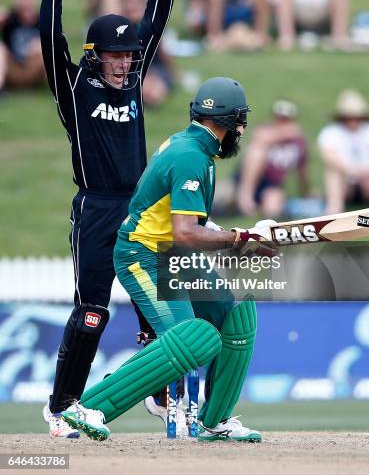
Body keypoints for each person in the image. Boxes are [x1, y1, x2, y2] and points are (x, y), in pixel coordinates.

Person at [59, 77, 280, 442]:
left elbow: (191, 224)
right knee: (193, 340)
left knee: (237, 313)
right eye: (241, 122)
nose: (241, 130)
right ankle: (85, 408)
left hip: (173, 254)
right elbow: (186, 233)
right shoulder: (191, 156)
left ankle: (214, 422)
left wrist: (245, 239)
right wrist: (239, 239)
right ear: (231, 123)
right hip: (143, 255)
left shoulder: (193, 148)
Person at [39, 0, 185, 438]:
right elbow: (48, 41)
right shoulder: (75, 88)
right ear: (94, 56)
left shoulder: (135, 76)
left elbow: (157, 21)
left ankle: (160, 392)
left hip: (141, 206)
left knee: (157, 312)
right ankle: (63, 405)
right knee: (93, 313)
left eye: (129, 55)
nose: (125, 64)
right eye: (116, 56)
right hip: (97, 208)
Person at [237, 100, 309, 217]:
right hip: (249, 180)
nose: (282, 122)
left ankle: (255, 207)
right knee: (257, 151)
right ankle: (245, 197)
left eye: (286, 119)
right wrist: (284, 133)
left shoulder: (298, 143)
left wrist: (305, 192)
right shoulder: (265, 131)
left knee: (272, 210)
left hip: (271, 184)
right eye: (280, 118)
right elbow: (260, 139)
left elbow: (302, 169)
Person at [0, 0, 45, 92]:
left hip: (34, 70)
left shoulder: (45, 21)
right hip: (12, 69)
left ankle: (61, 90)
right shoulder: (8, 19)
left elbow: (61, 47)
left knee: (46, 47)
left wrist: (42, 44)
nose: (24, 3)